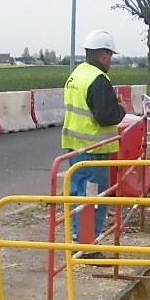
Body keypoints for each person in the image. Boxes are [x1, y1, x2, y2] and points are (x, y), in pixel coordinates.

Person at [61, 29, 126, 249]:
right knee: (92, 198)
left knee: (79, 196)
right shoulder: (98, 80)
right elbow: (106, 115)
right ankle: (87, 247)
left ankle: (79, 239)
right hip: (93, 149)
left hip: (75, 148)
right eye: (111, 58)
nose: (111, 62)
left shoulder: (77, 74)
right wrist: (121, 110)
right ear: (104, 56)